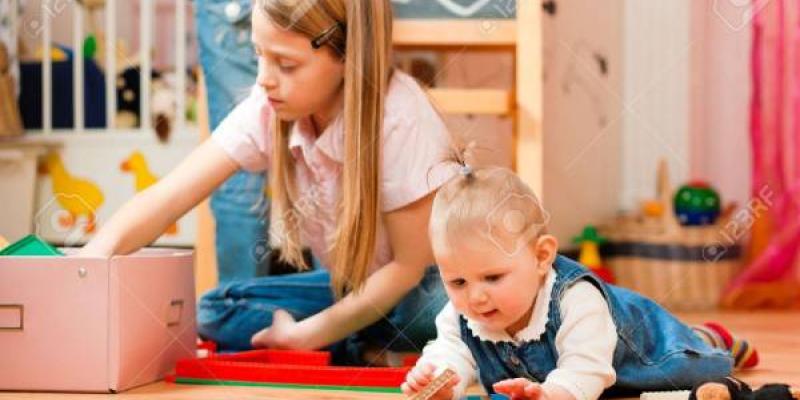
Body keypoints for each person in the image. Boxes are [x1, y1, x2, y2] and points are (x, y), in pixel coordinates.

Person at [81, 0, 456, 364]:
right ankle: (359, 346)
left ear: (348, 56)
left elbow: (406, 269)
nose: (264, 78)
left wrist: (309, 334)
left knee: (436, 310)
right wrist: (90, 259)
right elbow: (171, 195)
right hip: (352, 287)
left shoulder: (400, 119)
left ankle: (349, 342)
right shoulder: (267, 106)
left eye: (286, 64)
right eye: (259, 54)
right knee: (216, 310)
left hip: (416, 288)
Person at [402, 160, 759, 400]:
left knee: (699, 362)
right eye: (457, 282)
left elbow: (585, 368)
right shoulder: (464, 313)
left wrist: (554, 393)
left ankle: (711, 336)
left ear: (542, 257)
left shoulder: (576, 301)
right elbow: (452, 349)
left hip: (642, 348)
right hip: (589, 355)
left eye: (492, 277)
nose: (475, 298)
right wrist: (440, 378)